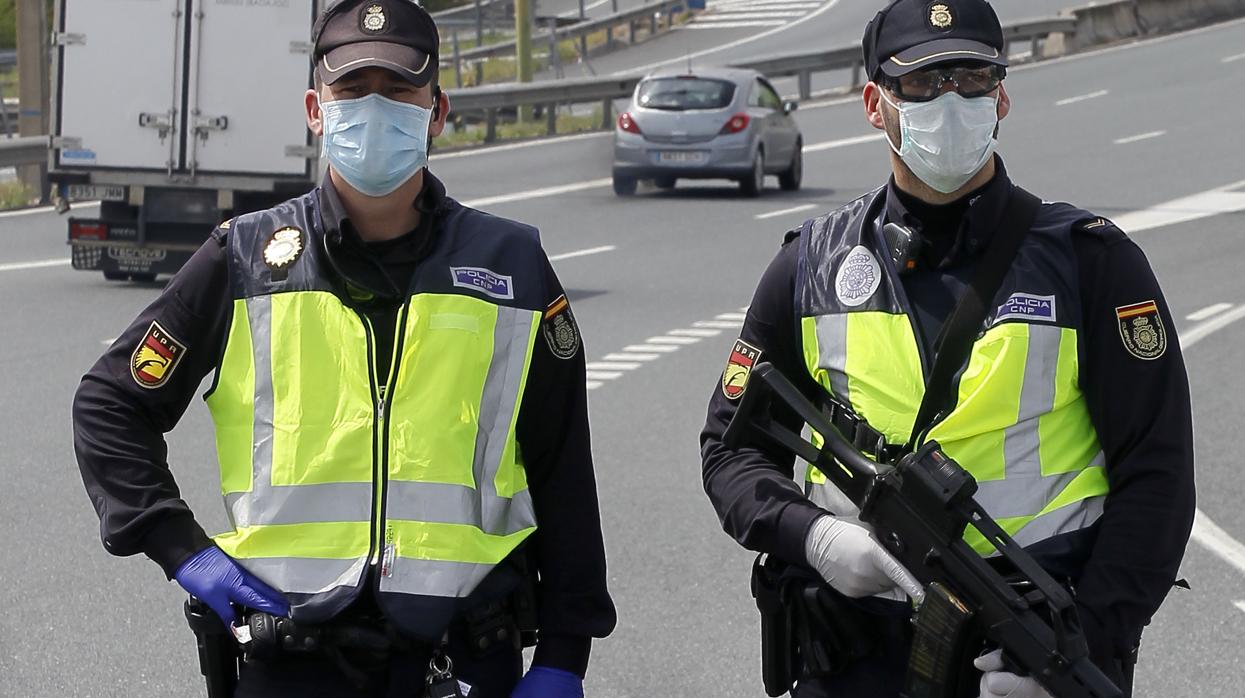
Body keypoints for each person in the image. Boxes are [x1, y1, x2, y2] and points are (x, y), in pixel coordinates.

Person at [72, 1, 615, 695]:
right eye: (352, 92)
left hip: (464, 656)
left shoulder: (511, 265)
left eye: (398, 92)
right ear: (314, 108)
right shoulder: (245, 259)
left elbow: (560, 462)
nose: (374, 109)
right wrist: (181, 548)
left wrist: (566, 654)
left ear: (436, 110)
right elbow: (110, 402)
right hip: (293, 659)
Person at [699, 0, 1195, 696]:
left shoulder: (1091, 264)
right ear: (875, 103)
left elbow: (1158, 476)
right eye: (924, 83)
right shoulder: (808, 267)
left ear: (1002, 97)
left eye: (971, 78)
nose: (952, 100)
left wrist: (1089, 641)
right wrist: (810, 535)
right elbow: (729, 449)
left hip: (1029, 642)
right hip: (851, 651)